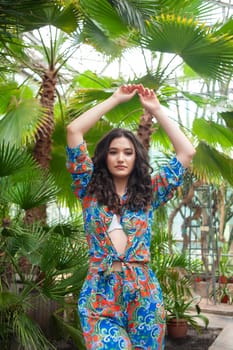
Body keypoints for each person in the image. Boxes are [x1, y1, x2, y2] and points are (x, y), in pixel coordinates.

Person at [66, 84, 196, 350]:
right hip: (100, 294)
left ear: (137, 158)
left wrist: (157, 110)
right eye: (113, 152)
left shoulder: (149, 191)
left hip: (143, 295)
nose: (121, 158)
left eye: (128, 152)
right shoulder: (88, 187)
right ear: (104, 157)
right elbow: (73, 130)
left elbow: (186, 152)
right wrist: (114, 99)